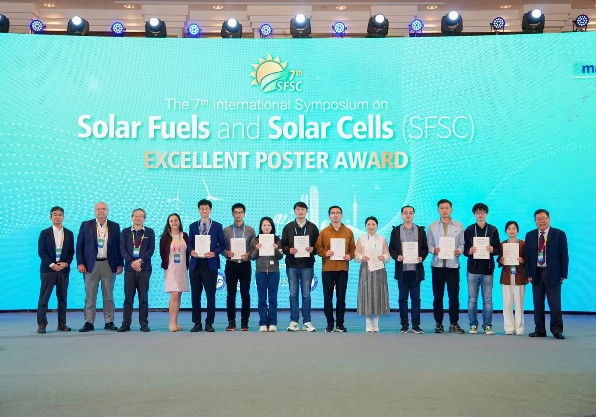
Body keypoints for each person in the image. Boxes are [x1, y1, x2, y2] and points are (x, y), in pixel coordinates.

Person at [75, 202, 123, 332]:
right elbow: (79, 246)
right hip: (90, 265)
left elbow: (119, 247)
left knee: (108, 295)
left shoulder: (114, 226)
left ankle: (109, 321)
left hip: (109, 264)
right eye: (98, 209)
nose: (101, 211)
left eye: (103, 209)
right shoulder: (86, 225)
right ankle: (89, 322)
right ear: (94, 211)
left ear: (107, 210)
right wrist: (80, 263)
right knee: (90, 295)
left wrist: (120, 264)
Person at [525, 209, 569, 340]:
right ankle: (539, 330)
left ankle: (557, 330)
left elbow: (564, 255)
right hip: (536, 274)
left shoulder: (559, 234)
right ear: (535, 221)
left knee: (555, 305)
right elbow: (528, 256)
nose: (541, 221)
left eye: (543, 218)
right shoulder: (530, 235)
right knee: (538, 305)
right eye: (538, 219)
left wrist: (563, 274)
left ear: (549, 219)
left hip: (553, 274)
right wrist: (528, 274)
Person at [427, 199, 466, 334]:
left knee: (454, 296)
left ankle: (454, 323)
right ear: (438, 210)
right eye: (442, 208)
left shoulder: (458, 226)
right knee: (438, 296)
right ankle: (438, 323)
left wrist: (459, 251)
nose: (444, 210)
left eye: (447, 207)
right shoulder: (432, 226)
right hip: (437, 265)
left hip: (453, 266)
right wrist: (434, 250)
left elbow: (462, 244)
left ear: (451, 209)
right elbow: (429, 244)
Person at [388, 205, 429, 334]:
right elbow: (391, 248)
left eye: (410, 212)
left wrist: (422, 257)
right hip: (402, 270)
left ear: (413, 215)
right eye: (405, 212)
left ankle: (416, 325)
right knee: (402, 299)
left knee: (416, 299)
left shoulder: (420, 230)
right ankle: (404, 325)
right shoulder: (396, 231)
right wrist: (397, 256)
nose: (408, 215)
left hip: (416, 270)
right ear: (402, 215)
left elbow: (425, 248)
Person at [315, 205, 356, 332]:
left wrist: (350, 256)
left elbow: (353, 249)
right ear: (329, 216)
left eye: (338, 212)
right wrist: (325, 253)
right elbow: (318, 248)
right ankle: (329, 323)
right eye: (333, 213)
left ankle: (340, 323)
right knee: (328, 297)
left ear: (341, 215)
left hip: (342, 268)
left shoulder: (348, 232)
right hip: (328, 268)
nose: (335, 215)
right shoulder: (324, 232)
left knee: (341, 297)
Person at [281, 202, 319, 332]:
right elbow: (283, 245)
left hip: (307, 265)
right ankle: (294, 321)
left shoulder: (313, 227)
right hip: (292, 264)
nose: (300, 211)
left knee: (306, 295)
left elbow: (318, 246)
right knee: (293, 294)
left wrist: (313, 249)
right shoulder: (288, 227)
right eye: (298, 209)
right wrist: (288, 250)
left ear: (306, 211)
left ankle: (307, 321)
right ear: (294, 211)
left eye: (303, 209)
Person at [188, 199, 225, 333]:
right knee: (195, 295)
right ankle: (197, 323)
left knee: (210, 295)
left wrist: (214, 253)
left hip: (210, 264)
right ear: (199, 210)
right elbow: (189, 243)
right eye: (202, 208)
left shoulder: (217, 226)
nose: (204, 211)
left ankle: (209, 323)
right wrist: (191, 251)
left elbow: (222, 244)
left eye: (206, 208)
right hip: (196, 264)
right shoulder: (193, 226)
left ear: (210, 210)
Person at [463, 203, 500, 335]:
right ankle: (473, 324)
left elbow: (498, 249)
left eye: (483, 212)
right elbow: (464, 250)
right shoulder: (469, 230)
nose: (480, 214)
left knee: (487, 300)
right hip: (473, 270)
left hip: (488, 270)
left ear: (486, 214)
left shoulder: (493, 230)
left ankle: (487, 325)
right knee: (472, 300)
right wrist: (469, 251)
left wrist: (493, 249)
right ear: (474, 214)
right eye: (478, 212)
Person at [36, 206, 75, 334]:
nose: (57, 217)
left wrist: (65, 263)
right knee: (44, 298)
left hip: (63, 270)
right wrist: (52, 264)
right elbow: (41, 251)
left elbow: (71, 252)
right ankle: (42, 324)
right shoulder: (44, 233)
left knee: (62, 298)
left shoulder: (69, 233)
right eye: (55, 214)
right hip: (48, 270)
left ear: (63, 217)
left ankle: (62, 324)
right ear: (51, 217)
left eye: (60, 214)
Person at [118, 208, 155, 332]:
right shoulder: (125, 232)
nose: (138, 218)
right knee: (128, 298)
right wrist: (132, 262)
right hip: (129, 269)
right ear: (132, 217)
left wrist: (140, 261)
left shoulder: (149, 232)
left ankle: (144, 323)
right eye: (135, 215)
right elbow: (122, 249)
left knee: (143, 298)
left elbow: (151, 249)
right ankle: (126, 324)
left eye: (140, 216)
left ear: (144, 218)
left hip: (144, 269)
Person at [222, 203, 256, 331]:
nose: (238, 215)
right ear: (232, 214)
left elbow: (254, 249)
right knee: (230, 294)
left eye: (240, 212)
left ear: (244, 214)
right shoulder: (226, 230)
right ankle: (231, 322)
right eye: (236, 212)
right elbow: (221, 247)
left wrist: (249, 254)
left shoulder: (250, 230)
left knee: (245, 294)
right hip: (231, 264)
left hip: (245, 264)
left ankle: (245, 322)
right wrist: (226, 253)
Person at [354, 216, 390, 332]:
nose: (371, 226)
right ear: (365, 226)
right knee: (366, 293)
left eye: (373, 224)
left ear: (377, 226)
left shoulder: (382, 239)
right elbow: (356, 254)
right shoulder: (361, 239)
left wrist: (383, 257)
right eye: (368, 224)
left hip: (379, 269)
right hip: (366, 269)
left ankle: (376, 321)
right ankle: (368, 321)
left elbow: (387, 254)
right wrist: (361, 257)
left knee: (379, 293)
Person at [249, 217, 284, 332]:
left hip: (274, 272)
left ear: (272, 227)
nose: (266, 227)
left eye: (269, 225)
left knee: (273, 298)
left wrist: (276, 249)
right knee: (262, 299)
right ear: (261, 227)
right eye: (264, 225)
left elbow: (280, 256)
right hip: (261, 272)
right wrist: (257, 249)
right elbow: (252, 257)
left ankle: (273, 323)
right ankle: (263, 323)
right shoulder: (255, 240)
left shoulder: (277, 239)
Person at [159, 213, 190, 332]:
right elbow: (162, 253)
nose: (174, 223)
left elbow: (188, 251)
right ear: (168, 223)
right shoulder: (165, 237)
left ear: (179, 221)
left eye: (176, 220)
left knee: (179, 295)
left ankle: (176, 322)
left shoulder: (185, 235)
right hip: (171, 268)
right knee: (174, 294)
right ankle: (171, 322)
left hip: (182, 268)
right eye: (171, 221)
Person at [497, 221, 527, 336]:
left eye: (514, 228)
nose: (511, 231)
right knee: (507, 303)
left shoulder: (523, 244)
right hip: (506, 277)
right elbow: (499, 259)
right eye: (509, 228)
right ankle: (509, 328)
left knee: (519, 304)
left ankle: (519, 328)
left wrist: (523, 260)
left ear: (517, 230)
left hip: (520, 277)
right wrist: (501, 260)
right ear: (506, 231)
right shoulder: (502, 244)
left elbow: (528, 259)